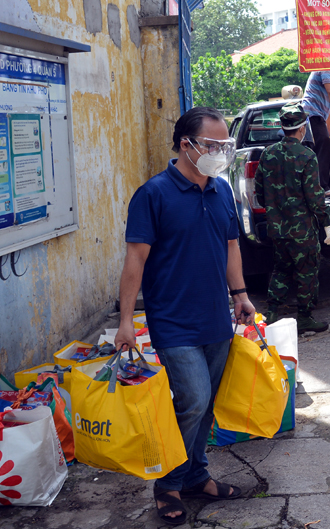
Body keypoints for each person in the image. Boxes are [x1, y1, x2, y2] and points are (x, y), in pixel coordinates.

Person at [114, 107, 256, 526]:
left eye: (224, 145)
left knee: (206, 403)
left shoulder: (222, 190)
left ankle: (196, 476)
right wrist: (126, 321)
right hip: (172, 321)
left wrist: (241, 294)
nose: (220, 153)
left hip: (216, 317)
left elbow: (231, 246)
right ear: (185, 145)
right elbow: (134, 261)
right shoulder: (153, 195)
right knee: (192, 399)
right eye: (212, 145)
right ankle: (168, 484)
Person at [254, 102, 330, 333]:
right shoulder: (306, 155)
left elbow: (259, 193)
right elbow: (314, 195)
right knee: (306, 269)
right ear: (302, 128)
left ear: (282, 127)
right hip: (302, 230)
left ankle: (271, 312)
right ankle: (305, 317)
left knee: (281, 267)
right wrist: (327, 221)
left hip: (278, 229)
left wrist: (275, 208)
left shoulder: (268, 154)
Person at [301, 70, 330, 191]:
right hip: (312, 114)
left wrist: (329, 129)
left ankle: (321, 186)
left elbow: (326, 104)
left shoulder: (324, 69)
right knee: (323, 147)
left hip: (315, 115)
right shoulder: (326, 68)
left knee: (323, 145)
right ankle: (323, 188)